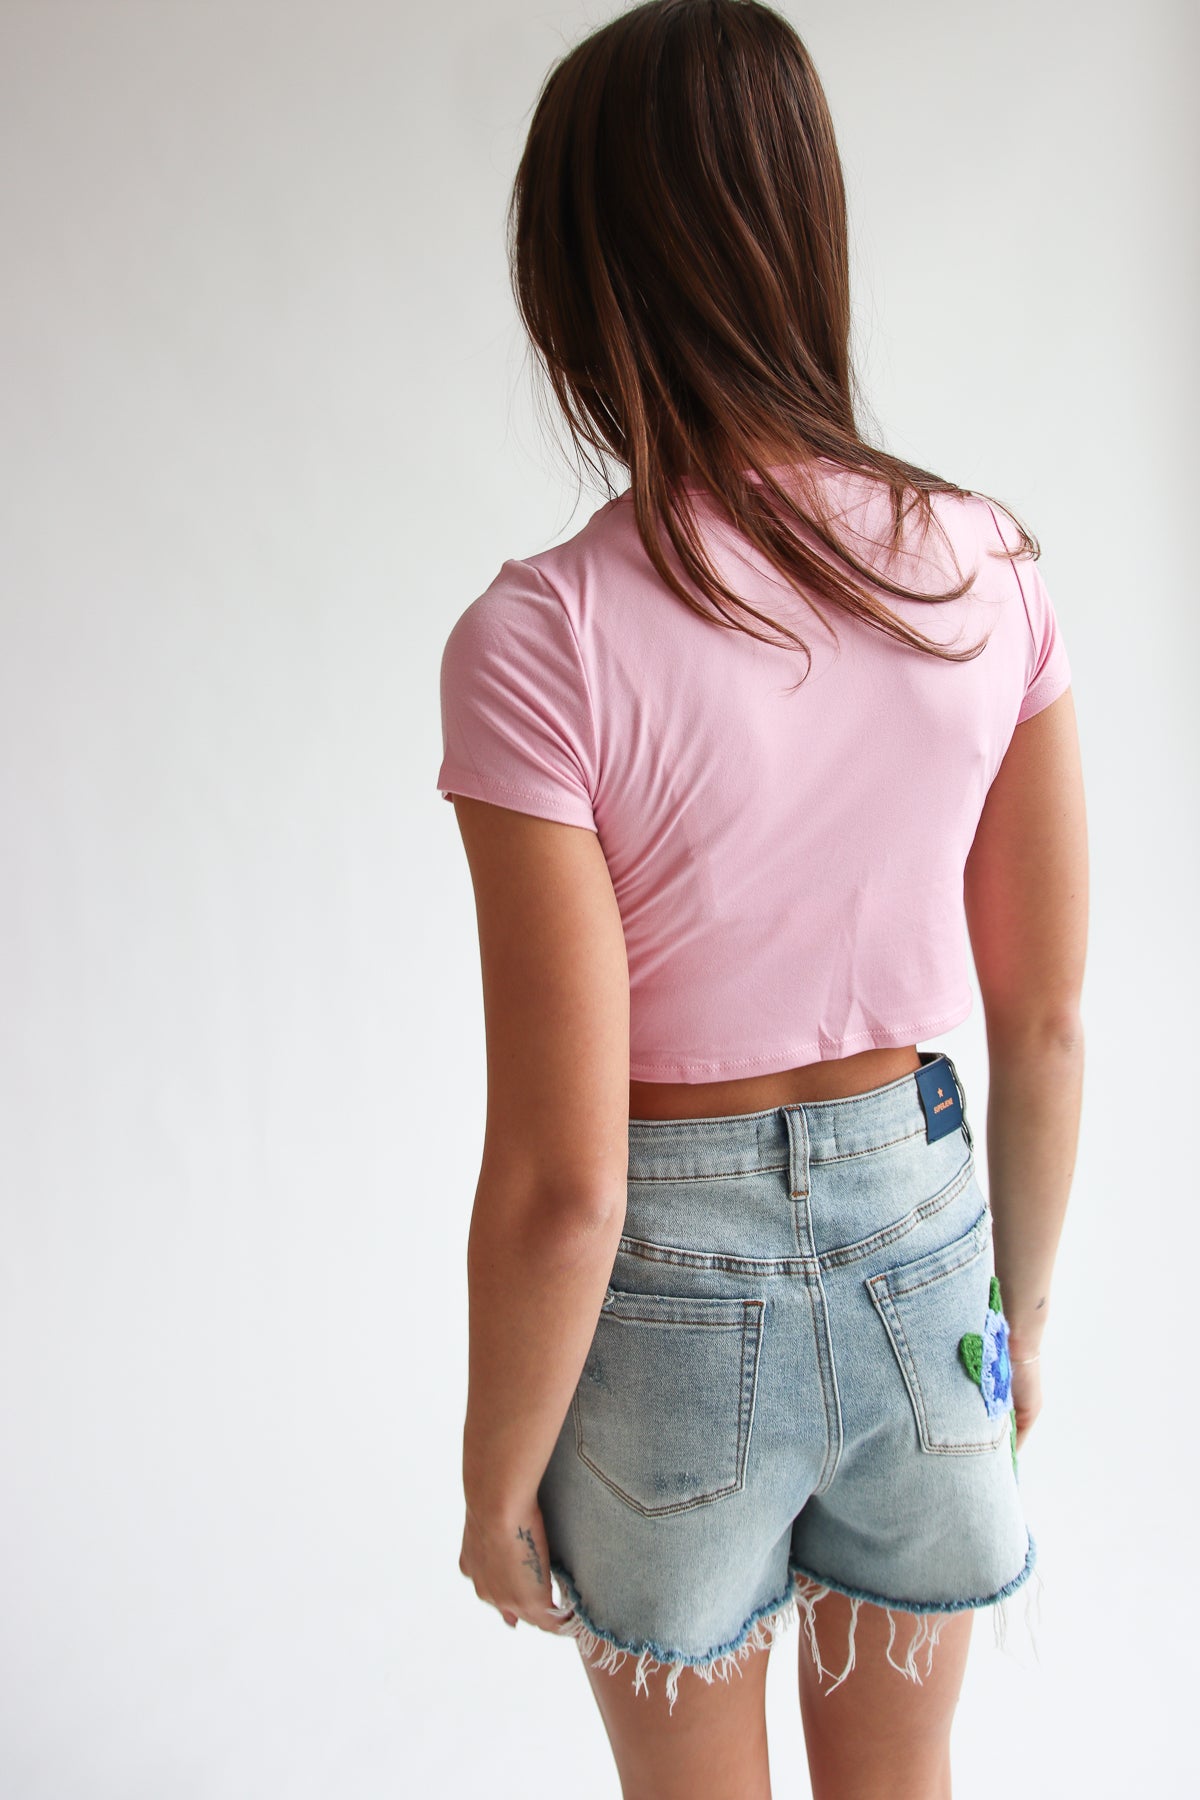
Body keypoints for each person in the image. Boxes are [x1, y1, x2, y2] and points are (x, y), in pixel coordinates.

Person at [434, 3, 1087, 1795]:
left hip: (664, 1300)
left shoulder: (540, 640)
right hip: (931, 1248)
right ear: (807, 233)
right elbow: (1039, 1017)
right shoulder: (985, 568)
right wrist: (1014, 1329)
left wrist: (494, 1486)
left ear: (579, 279)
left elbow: (566, 1183)